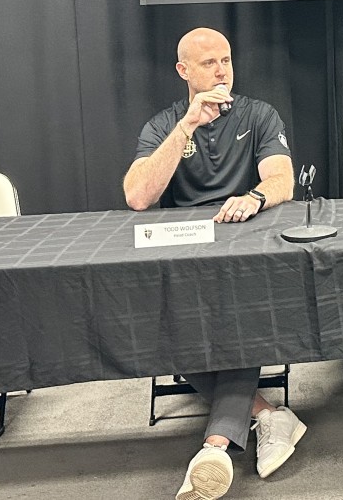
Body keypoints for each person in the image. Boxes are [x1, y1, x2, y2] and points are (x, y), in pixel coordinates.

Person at [124, 27, 306, 500]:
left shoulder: (258, 114)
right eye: (209, 63)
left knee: (238, 320)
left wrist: (254, 197)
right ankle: (269, 414)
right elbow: (138, 196)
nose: (222, 70)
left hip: (244, 247)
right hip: (184, 253)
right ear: (184, 71)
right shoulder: (164, 124)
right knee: (167, 327)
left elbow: (282, 179)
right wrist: (186, 126)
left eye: (226, 60)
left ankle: (216, 447)